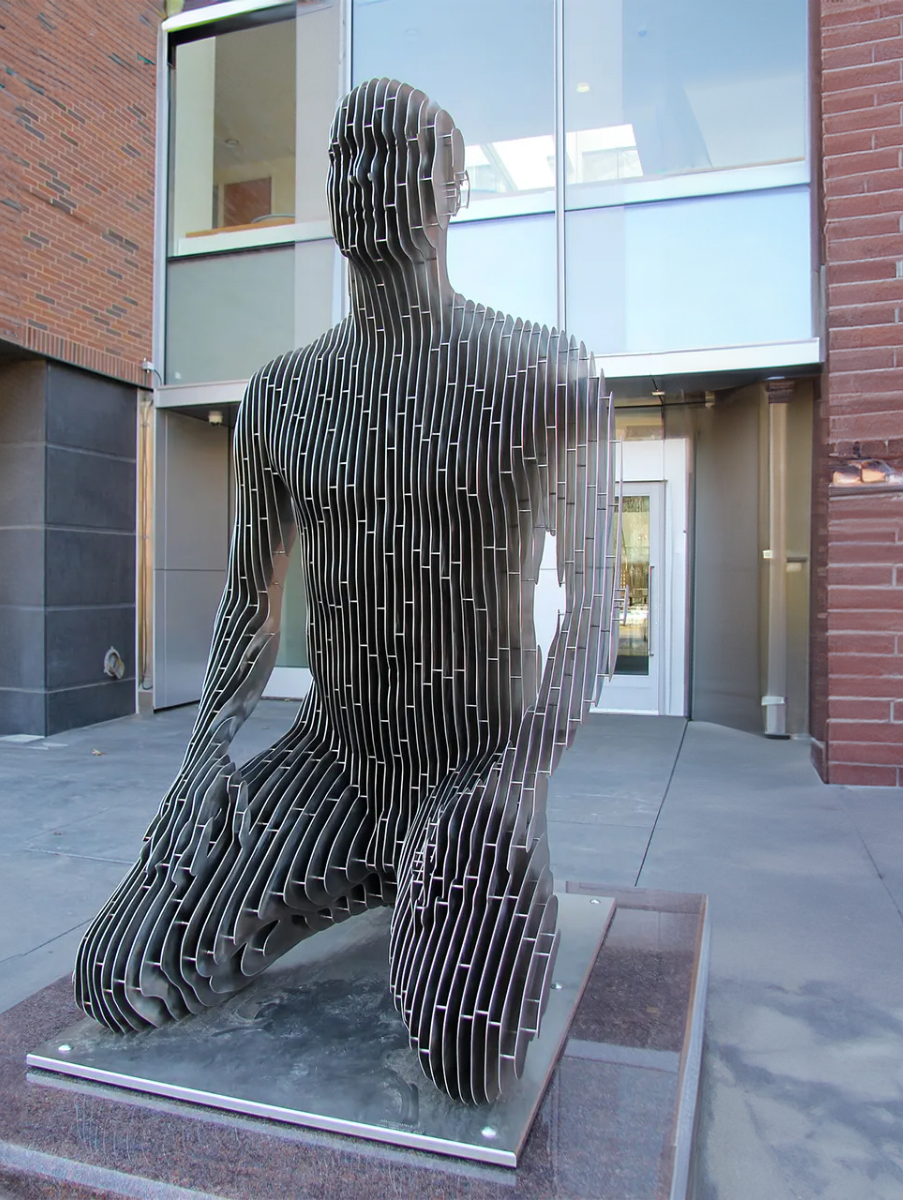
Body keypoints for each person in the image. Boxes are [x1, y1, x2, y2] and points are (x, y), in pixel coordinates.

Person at [75, 78, 617, 1105]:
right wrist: (202, 765)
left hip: (474, 760)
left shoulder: (545, 375)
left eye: (392, 155)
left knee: (467, 1051)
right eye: (343, 158)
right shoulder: (283, 394)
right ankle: (366, 863)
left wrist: (518, 782)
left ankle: (435, 876)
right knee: (117, 974)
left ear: (454, 187)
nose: (363, 182)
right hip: (333, 754)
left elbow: (595, 615)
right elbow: (248, 602)